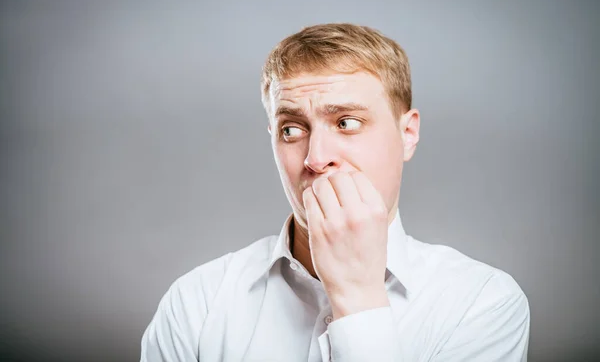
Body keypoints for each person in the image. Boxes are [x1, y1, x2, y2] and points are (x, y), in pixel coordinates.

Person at [140, 23, 530, 361]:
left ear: (407, 134)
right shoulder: (197, 303)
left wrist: (357, 296)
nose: (316, 158)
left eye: (346, 122)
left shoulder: (482, 303)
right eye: (291, 129)